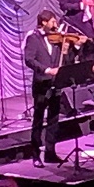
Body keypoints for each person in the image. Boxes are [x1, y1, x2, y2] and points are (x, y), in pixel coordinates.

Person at [24, 10, 63, 166]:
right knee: (38, 120)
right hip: (41, 84)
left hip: (56, 84)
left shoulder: (57, 39)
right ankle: (35, 154)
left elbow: (62, 58)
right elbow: (29, 59)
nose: (56, 24)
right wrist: (46, 70)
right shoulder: (33, 39)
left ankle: (50, 152)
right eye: (53, 22)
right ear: (44, 22)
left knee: (54, 119)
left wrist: (75, 47)